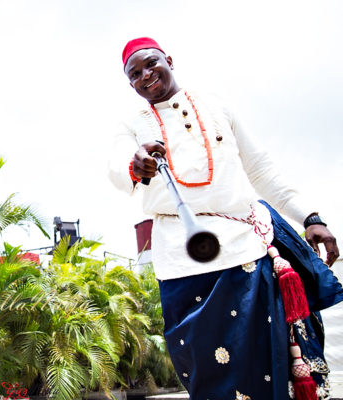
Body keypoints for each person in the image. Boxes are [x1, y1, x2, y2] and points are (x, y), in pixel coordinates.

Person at [108, 37, 343, 400]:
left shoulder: (215, 104)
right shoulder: (132, 125)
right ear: (130, 84)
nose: (146, 75)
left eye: (151, 63)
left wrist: (310, 217)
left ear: (169, 59)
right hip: (184, 262)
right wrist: (136, 165)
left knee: (275, 365)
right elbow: (118, 168)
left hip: (249, 247)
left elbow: (261, 169)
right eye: (135, 74)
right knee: (209, 373)